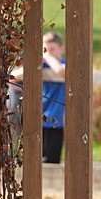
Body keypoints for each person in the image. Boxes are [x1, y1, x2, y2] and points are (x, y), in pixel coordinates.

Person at [41, 32, 67, 164]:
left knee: (51, 160)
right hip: (38, 119)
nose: (48, 53)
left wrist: (48, 57)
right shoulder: (41, 66)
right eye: (45, 49)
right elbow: (15, 76)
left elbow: (61, 72)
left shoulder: (63, 64)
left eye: (52, 49)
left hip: (56, 121)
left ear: (61, 49)